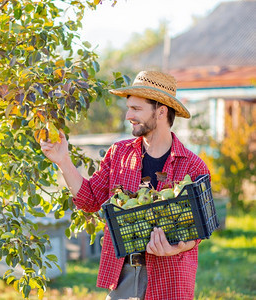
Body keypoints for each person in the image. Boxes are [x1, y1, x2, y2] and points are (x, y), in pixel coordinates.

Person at [40, 71, 210, 300]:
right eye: (128, 108)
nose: (128, 115)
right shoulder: (119, 153)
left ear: (161, 111)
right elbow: (90, 200)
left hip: (170, 277)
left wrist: (176, 248)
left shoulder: (192, 166)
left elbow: (198, 229)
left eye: (136, 109)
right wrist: (63, 160)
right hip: (124, 276)